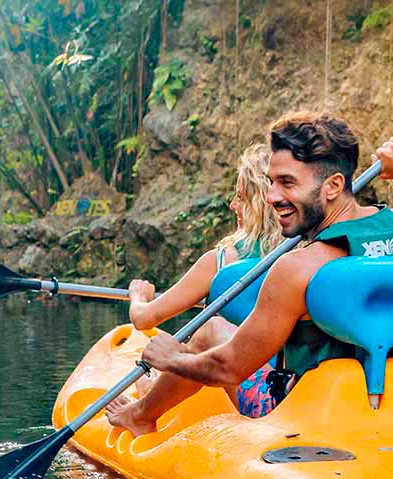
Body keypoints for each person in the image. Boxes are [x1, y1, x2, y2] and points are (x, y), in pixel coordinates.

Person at [105, 113, 393, 437]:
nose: (271, 197)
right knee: (218, 328)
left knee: (209, 332)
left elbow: (229, 367)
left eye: (287, 183)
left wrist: (172, 358)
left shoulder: (299, 268)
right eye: (271, 183)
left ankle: (139, 416)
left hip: (307, 414)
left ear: (333, 186)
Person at [122, 143, 285, 419]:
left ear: (258, 202)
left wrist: (139, 296)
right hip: (292, 384)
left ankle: (145, 408)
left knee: (206, 333)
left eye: (240, 197)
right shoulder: (305, 253)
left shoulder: (221, 261)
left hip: (246, 381)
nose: (233, 205)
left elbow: (144, 320)